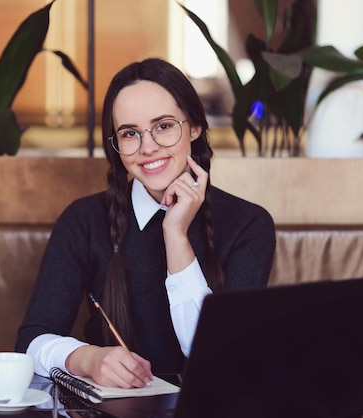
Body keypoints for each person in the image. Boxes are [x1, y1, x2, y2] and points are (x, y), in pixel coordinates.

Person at [16, 58, 275, 389]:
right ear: (116, 145)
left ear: (194, 127)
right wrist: (88, 358)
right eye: (129, 133)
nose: (148, 146)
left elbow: (221, 360)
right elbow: (31, 341)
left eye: (164, 126)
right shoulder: (84, 220)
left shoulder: (248, 225)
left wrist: (175, 234)